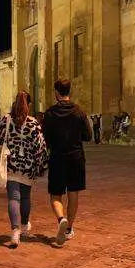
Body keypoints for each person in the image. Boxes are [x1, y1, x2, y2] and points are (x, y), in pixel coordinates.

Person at [42, 79, 92, 245]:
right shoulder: (79, 111)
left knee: (55, 195)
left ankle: (61, 219)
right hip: (76, 158)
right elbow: (88, 136)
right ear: (69, 91)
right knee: (73, 193)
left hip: (57, 158)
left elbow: (45, 139)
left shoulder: (50, 113)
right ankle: (69, 228)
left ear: (57, 92)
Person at [0, 91, 48, 247]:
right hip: (28, 166)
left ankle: (15, 231)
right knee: (25, 198)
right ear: (29, 104)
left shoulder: (5, 120)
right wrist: (41, 166)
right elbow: (40, 147)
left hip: (11, 164)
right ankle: (24, 225)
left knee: (13, 198)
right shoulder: (33, 123)